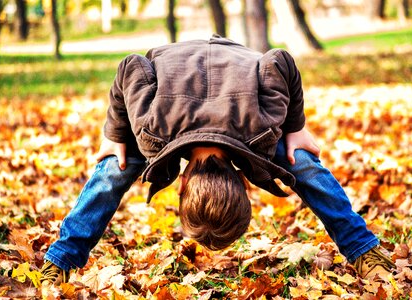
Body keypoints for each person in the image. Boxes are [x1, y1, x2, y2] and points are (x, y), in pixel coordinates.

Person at [40, 35, 394, 285]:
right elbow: (131, 66)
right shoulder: (155, 130)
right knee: (115, 165)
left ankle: (363, 250)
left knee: (297, 158)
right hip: (184, 72)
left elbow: (279, 61)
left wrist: (296, 130)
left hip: (230, 64)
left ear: (240, 181)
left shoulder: (259, 130)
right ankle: (60, 260)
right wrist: (114, 137)